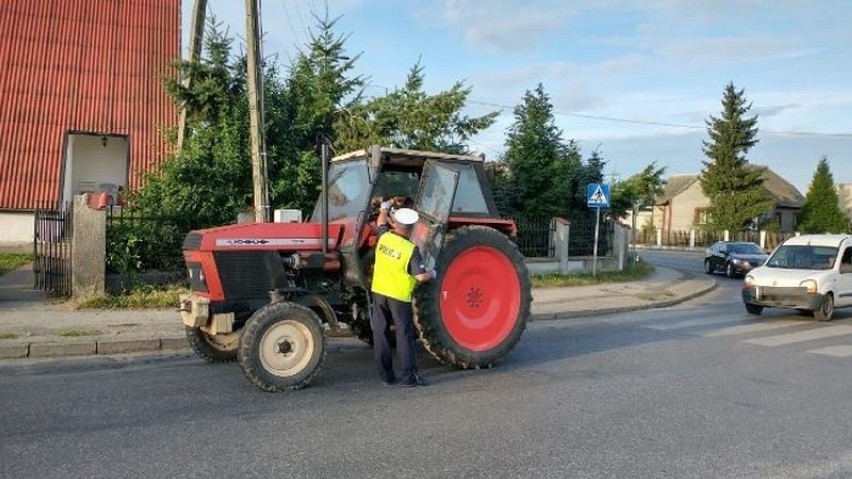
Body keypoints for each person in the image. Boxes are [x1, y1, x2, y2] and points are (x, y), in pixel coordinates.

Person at [370, 201, 436, 387]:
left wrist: (384, 206)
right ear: (411, 228)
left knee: (381, 334)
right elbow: (421, 277)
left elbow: (381, 221)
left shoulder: (384, 237)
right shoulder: (410, 249)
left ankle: (386, 376)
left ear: (395, 224)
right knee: (404, 335)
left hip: (379, 292)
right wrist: (433, 273)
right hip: (398, 297)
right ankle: (409, 377)